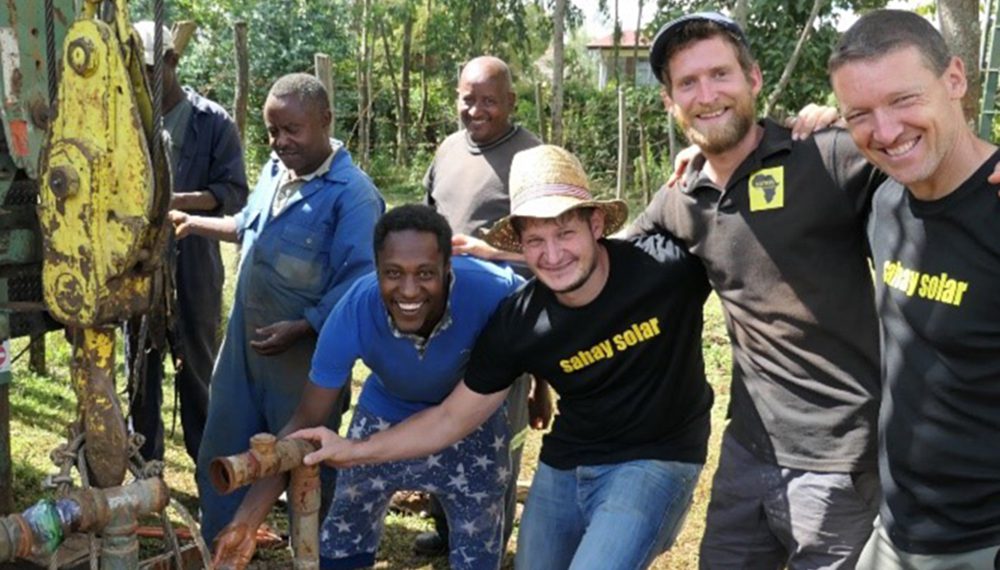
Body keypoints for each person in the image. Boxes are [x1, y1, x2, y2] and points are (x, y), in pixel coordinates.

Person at [292, 145, 713, 570]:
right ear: (522, 247)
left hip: (657, 457)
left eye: (565, 233)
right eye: (535, 241)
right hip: (570, 460)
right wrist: (353, 450)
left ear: (596, 224)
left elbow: (741, 222)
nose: (552, 255)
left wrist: (716, 150)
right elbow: (450, 418)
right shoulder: (520, 321)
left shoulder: (666, 271)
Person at [632, 13, 883, 568]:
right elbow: (602, 264)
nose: (706, 95)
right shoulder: (681, 196)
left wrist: (853, 118)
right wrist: (505, 254)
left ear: (753, 79)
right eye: (688, 83)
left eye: (720, 74)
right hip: (748, 449)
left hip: (840, 462)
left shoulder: (826, 155)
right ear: (670, 103)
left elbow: (929, 166)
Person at [211, 204, 523, 570]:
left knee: (480, 539)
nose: (409, 290)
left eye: (425, 273)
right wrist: (246, 522)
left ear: (448, 268)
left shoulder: (493, 289)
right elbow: (306, 420)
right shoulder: (354, 311)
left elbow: (541, 327)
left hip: (472, 419)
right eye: (393, 273)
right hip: (385, 414)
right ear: (376, 270)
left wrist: (539, 388)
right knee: (344, 533)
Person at [169, 72, 385, 544]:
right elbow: (247, 225)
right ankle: (222, 548)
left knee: (306, 462)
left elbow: (360, 284)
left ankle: (315, 552)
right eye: (272, 131)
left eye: (292, 130)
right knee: (221, 454)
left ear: (325, 120)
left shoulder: (353, 196)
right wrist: (194, 223)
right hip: (244, 348)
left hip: (304, 361)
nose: (280, 141)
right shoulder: (274, 172)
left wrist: (303, 326)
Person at [827, 10, 1000, 569]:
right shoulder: (885, 201)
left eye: (904, 99)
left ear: (955, 79)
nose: (885, 131)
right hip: (897, 531)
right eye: (859, 113)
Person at [419, 54, 551, 556]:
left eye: (489, 101)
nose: (476, 110)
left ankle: (488, 543)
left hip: (504, 327)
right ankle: (447, 529)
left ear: (511, 102)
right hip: (441, 322)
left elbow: (550, 253)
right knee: (439, 425)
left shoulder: (531, 159)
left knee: (495, 439)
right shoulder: (449, 149)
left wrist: (541, 379)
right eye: (467, 99)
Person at [127, 21, 248, 463]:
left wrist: (172, 202)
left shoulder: (212, 122)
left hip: (193, 262)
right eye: (134, 70)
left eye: (149, 69)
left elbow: (233, 192)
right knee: (140, 371)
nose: (142, 79)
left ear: (172, 61)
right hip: (137, 262)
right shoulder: (126, 120)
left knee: (196, 367)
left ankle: (207, 467)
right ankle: (146, 466)